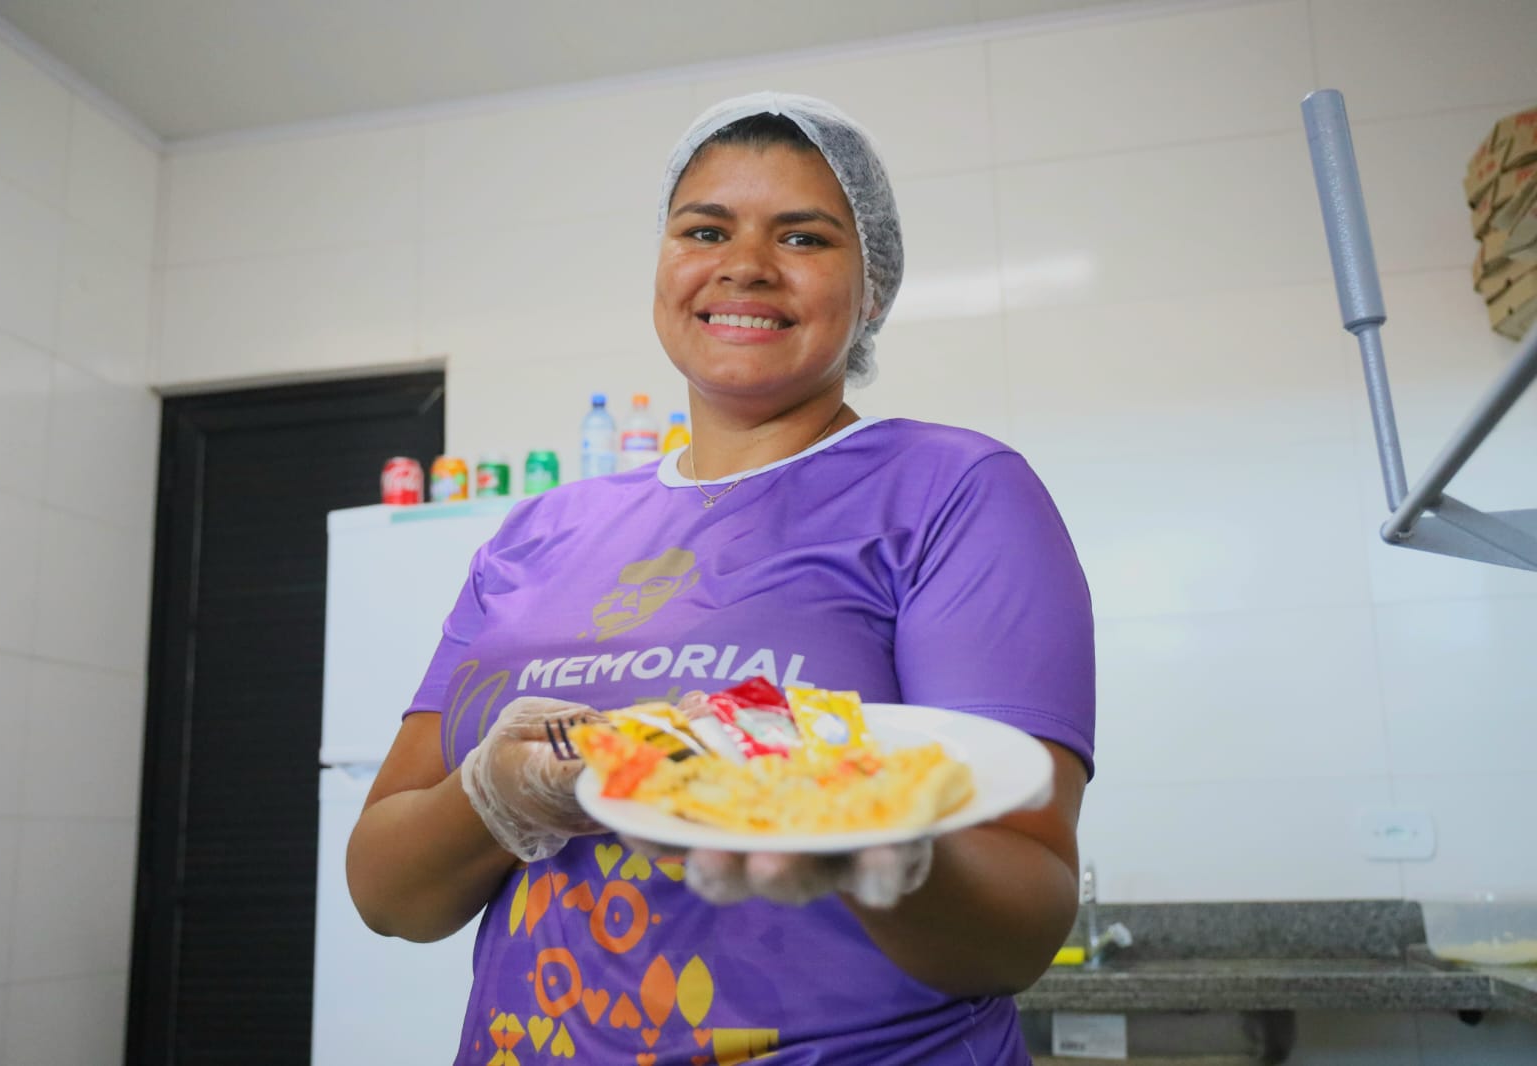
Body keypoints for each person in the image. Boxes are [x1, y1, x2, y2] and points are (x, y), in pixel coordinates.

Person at [347, 92, 1095, 1064]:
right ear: (664, 263)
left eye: (804, 236)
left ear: (871, 290)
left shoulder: (950, 489)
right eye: (704, 228)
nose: (744, 263)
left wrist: (876, 843)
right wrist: (496, 797)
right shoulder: (539, 530)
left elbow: (1020, 918)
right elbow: (388, 895)